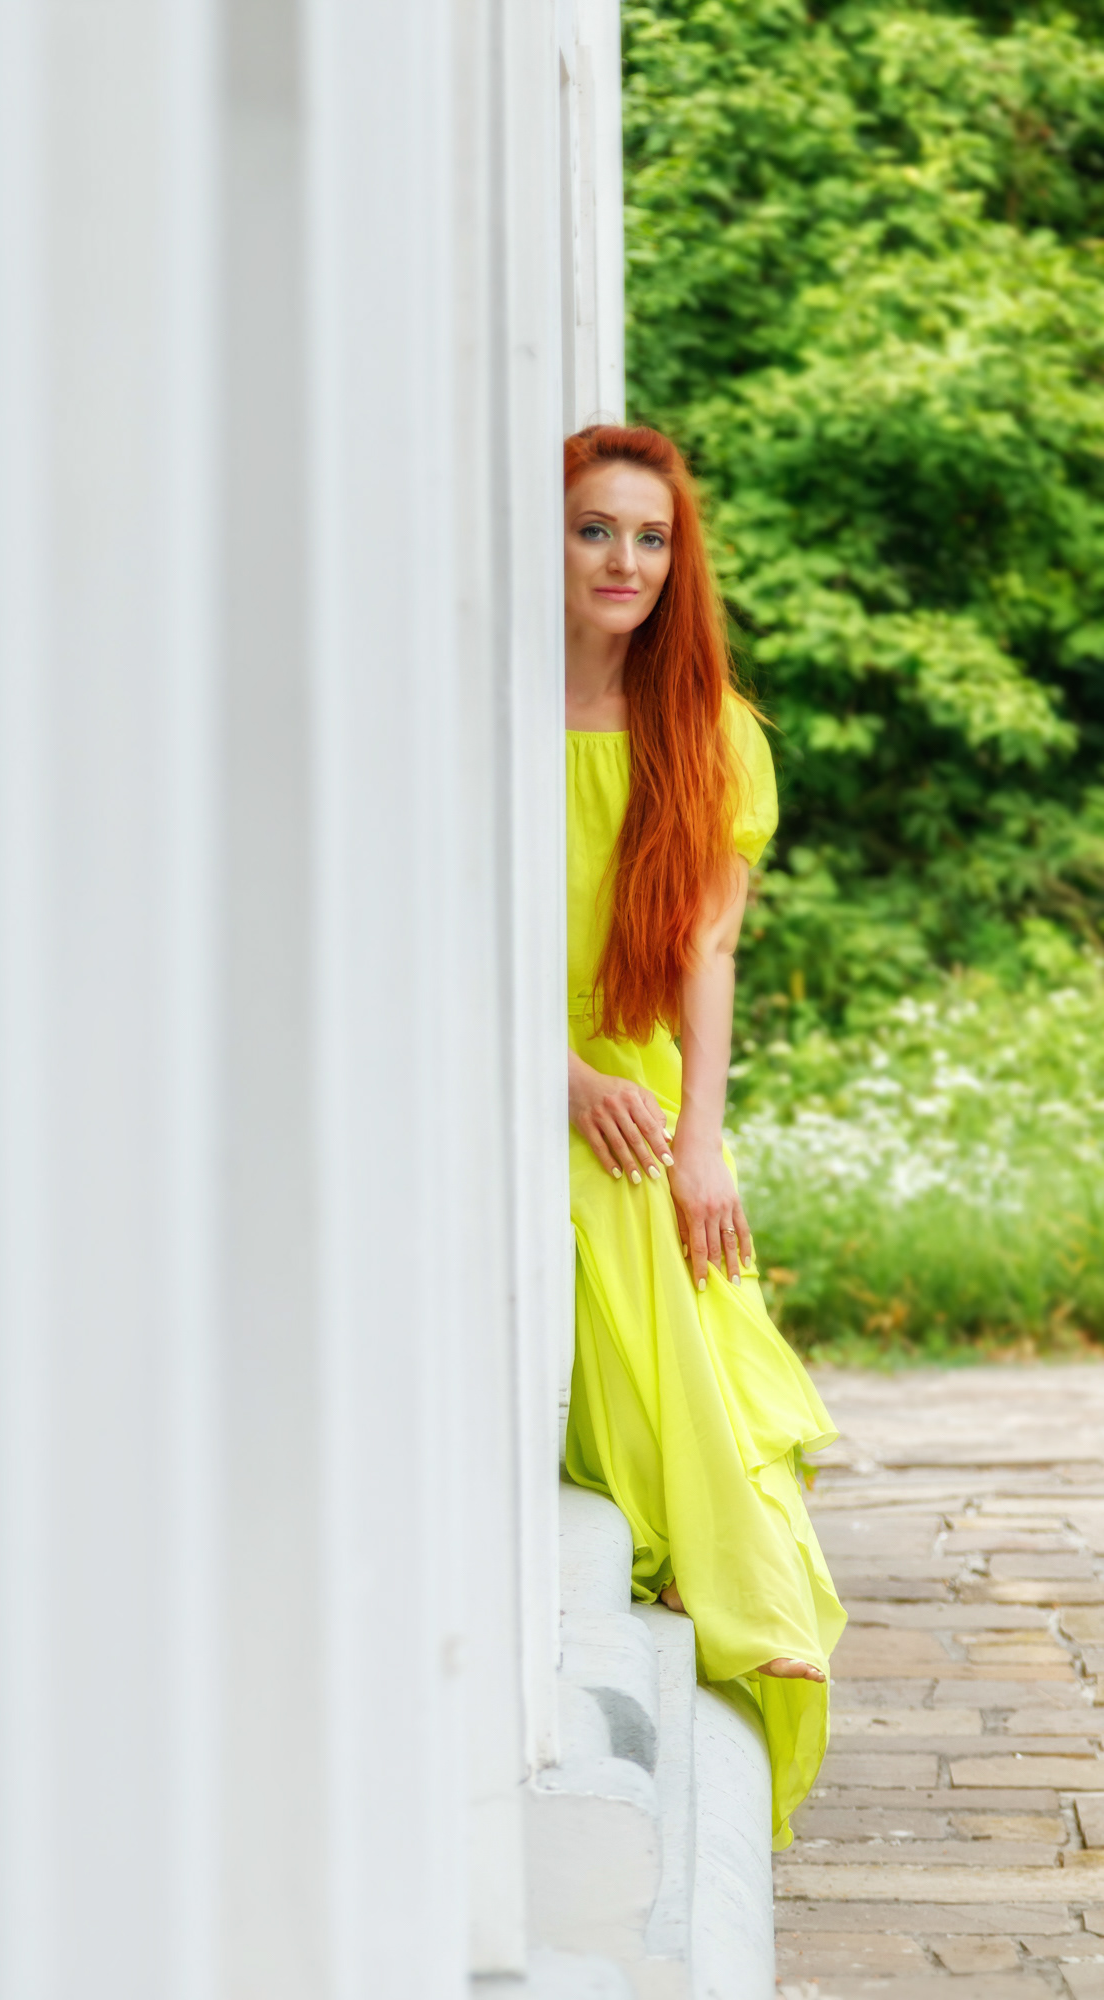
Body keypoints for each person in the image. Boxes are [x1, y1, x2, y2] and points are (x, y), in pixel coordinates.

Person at [561, 423, 846, 1849]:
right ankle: (710, 1577)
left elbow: (706, 958)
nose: (625, 561)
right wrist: (551, 1076)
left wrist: (702, 1144)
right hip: (526, 1070)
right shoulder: (480, 719)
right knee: (603, 1184)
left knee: (656, 1199)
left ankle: (722, 1576)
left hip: (634, 1074)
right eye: (593, 529)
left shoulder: (709, 729)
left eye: (651, 537)